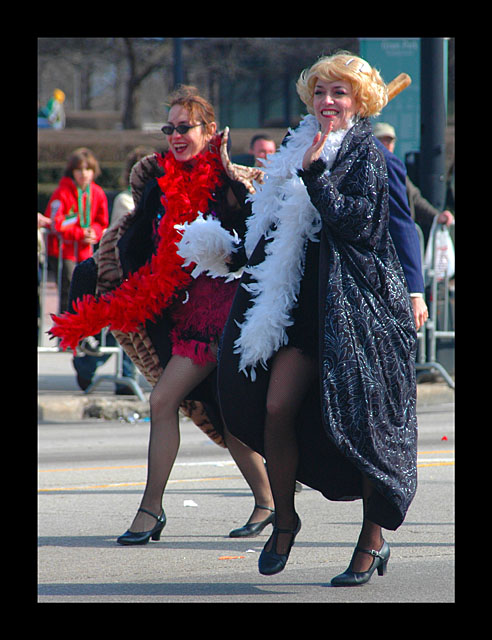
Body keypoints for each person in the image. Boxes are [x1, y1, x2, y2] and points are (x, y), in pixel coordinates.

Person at [216, 53, 418, 585]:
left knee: (369, 430)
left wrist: (317, 176)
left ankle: (371, 542)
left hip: (360, 315)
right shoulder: (294, 146)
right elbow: (271, 226)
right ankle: (284, 519)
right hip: (303, 311)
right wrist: (237, 244)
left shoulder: (367, 154)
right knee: (276, 407)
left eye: (341, 94)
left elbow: (361, 227)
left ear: (359, 101)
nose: (329, 102)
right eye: (322, 92)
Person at [49, 85, 274, 544]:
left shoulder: (233, 179)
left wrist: (227, 238)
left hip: (228, 318)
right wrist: (97, 270)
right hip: (186, 317)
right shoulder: (157, 186)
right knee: (224, 415)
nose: (174, 134)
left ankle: (152, 510)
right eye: (168, 127)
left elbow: (259, 235)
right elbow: (135, 245)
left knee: (165, 401)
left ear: (209, 131)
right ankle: (268, 503)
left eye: (184, 127)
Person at [374, 122, 455, 239]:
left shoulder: (396, 170)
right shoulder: (364, 170)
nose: (386, 145)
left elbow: (415, 199)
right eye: (382, 140)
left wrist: (437, 216)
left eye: (390, 141)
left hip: (397, 238)